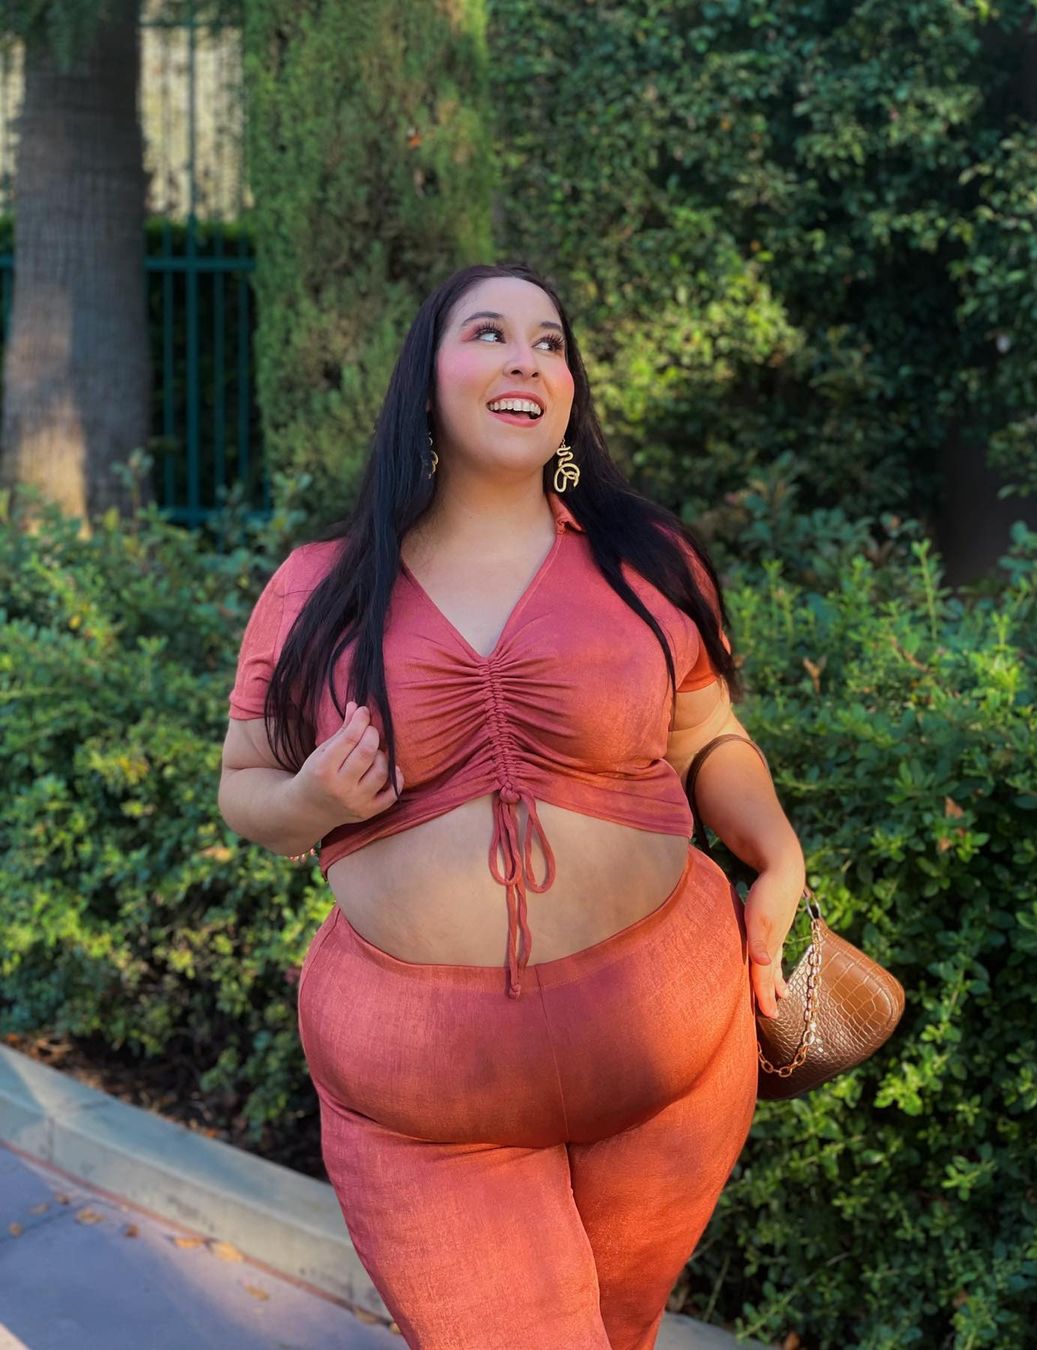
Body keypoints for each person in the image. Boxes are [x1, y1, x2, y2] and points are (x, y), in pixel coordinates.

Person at [218, 261, 806, 1350]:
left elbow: (710, 737)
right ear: (426, 381)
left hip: (668, 1052)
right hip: (424, 1098)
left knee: (620, 1334)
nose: (527, 359)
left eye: (549, 342)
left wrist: (776, 855)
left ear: (570, 392)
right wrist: (309, 797)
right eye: (488, 333)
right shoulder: (321, 586)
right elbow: (242, 789)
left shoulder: (646, 559)